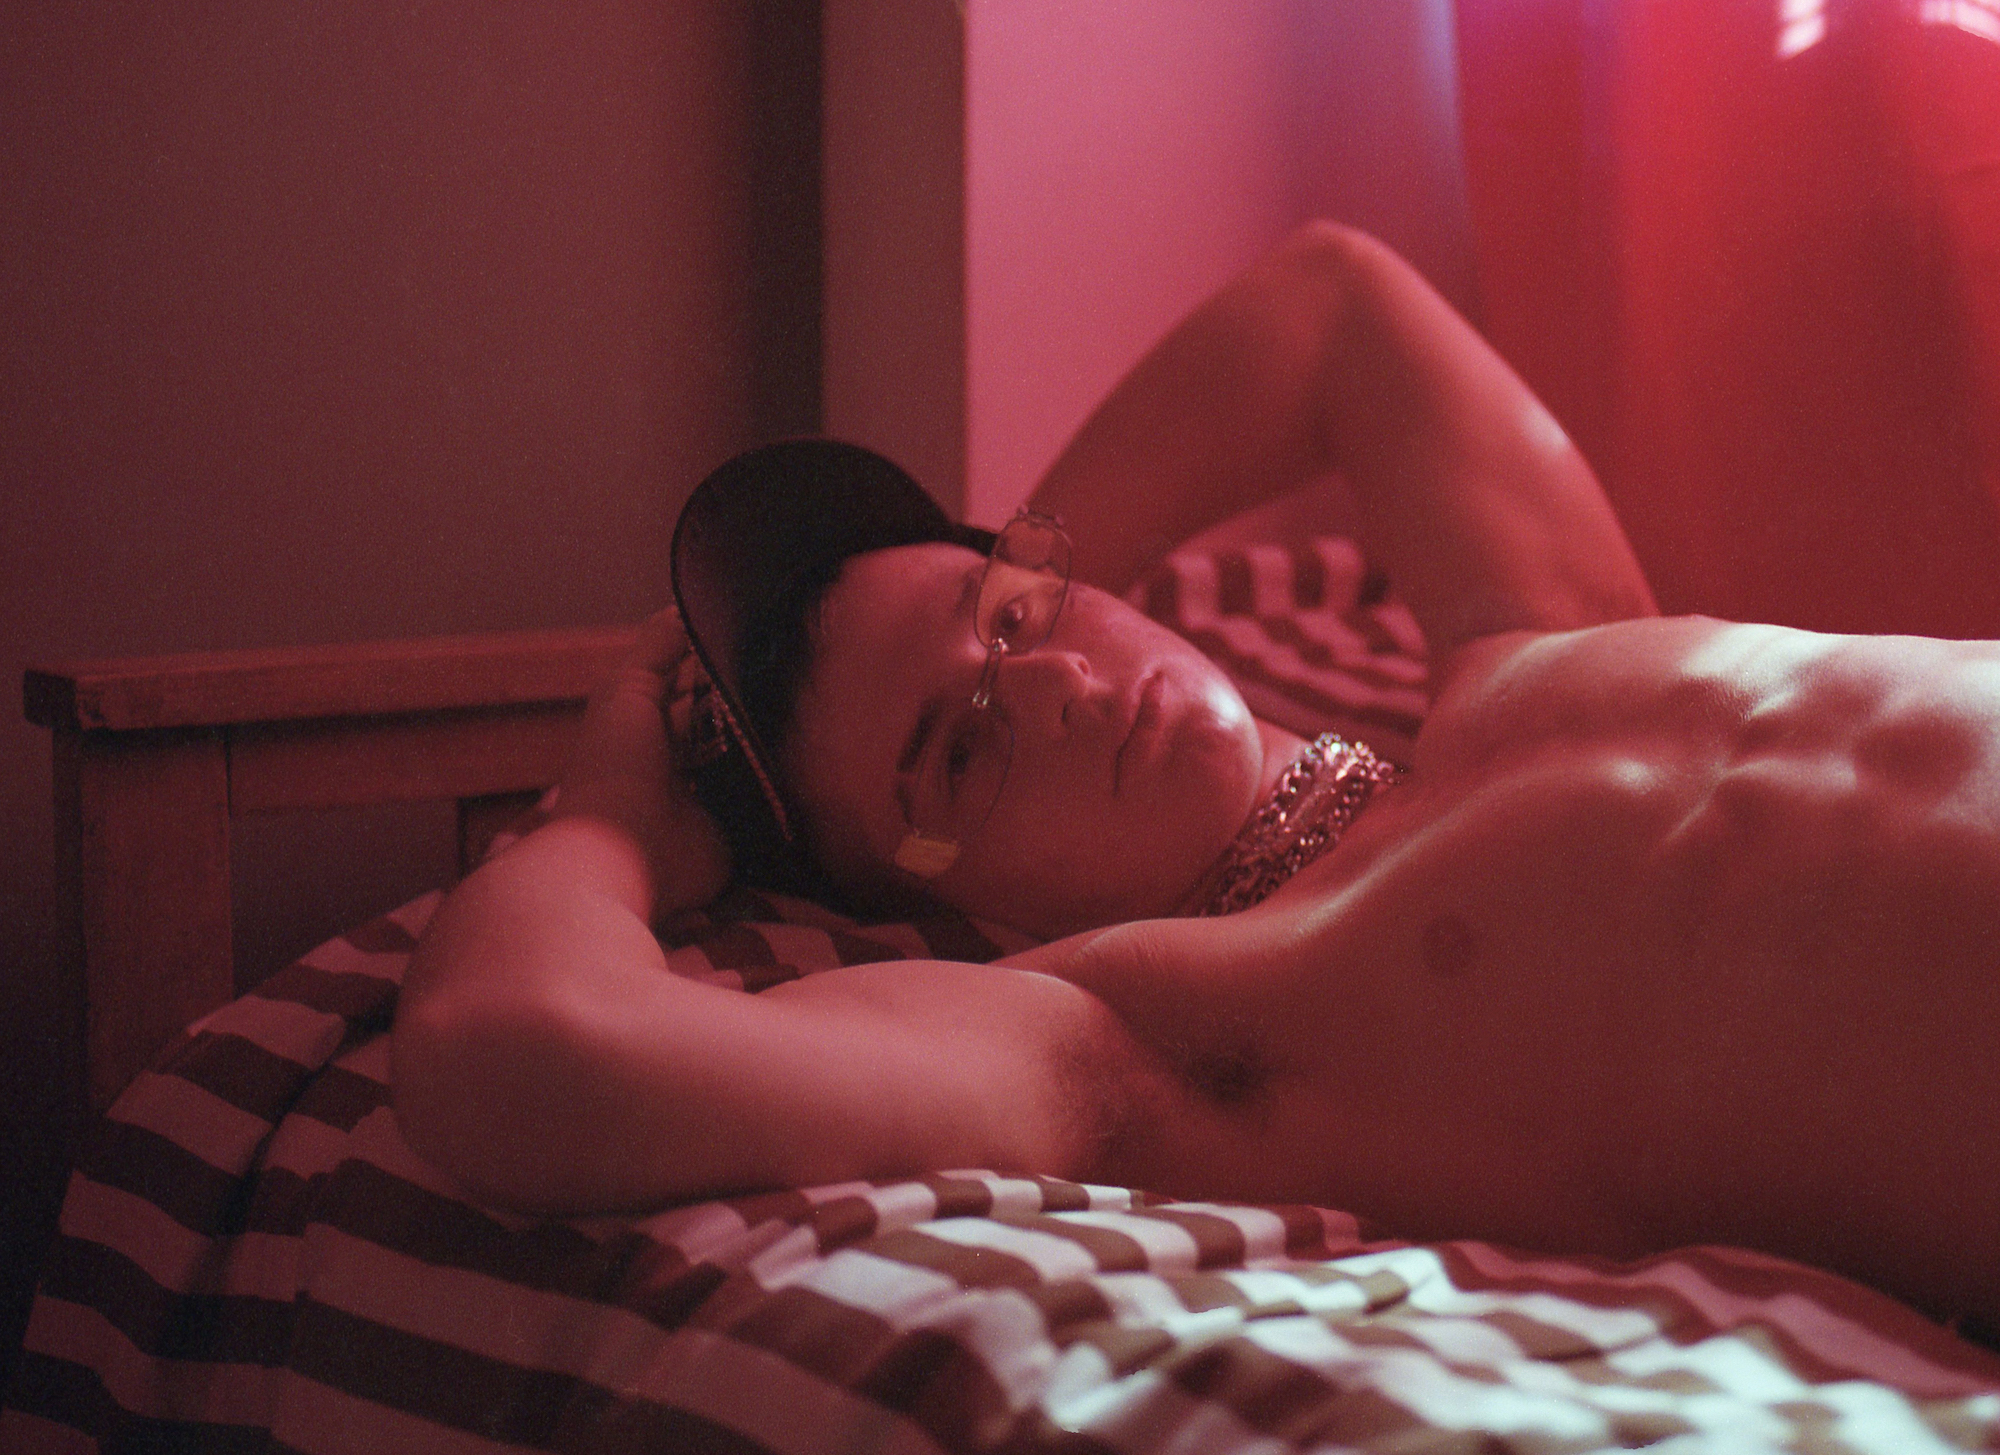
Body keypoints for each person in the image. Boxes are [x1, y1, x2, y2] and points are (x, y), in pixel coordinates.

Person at [392, 222, 2000, 1337]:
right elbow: (513, 1059)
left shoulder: (1529, 648)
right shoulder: (1159, 1033)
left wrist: (1022, 567)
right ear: (930, 897)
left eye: (1016, 618)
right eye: (961, 748)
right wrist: (613, 818)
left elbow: (1329, 304)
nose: (1059, 689)